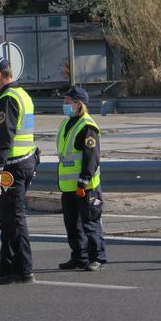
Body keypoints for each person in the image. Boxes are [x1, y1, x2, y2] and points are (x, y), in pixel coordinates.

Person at [0, 55, 39, 284]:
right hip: (22, 163)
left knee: (14, 218)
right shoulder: (22, 94)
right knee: (7, 219)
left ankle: (23, 269)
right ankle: (6, 266)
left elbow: (6, 136)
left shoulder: (7, 99)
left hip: (12, 167)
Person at [56, 87, 107, 271]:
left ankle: (97, 258)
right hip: (68, 186)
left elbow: (91, 157)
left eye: (68, 102)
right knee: (72, 225)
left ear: (79, 104)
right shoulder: (67, 122)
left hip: (85, 186)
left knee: (90, 223)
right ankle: (79, 257)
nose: (65, 104)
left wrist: (84, 181)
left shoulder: (87, 126)